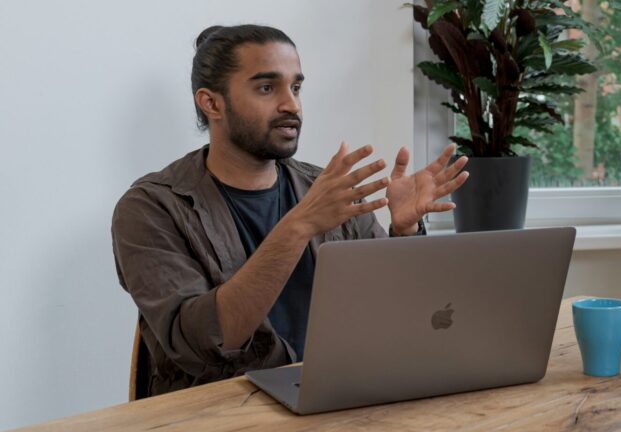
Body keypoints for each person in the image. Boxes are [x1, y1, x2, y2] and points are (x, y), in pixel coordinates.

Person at [111, 25, 469, 396]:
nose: (292, 105)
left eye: (296, 87)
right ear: (211, 103)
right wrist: (299, 225)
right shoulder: (150, 208)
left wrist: (405, 232)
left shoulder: (330, 189)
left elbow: (390, 314)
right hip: (221, 412)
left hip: (337, 396)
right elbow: (203, 346)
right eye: (267, 88)